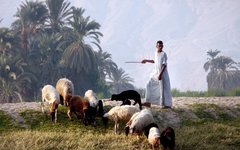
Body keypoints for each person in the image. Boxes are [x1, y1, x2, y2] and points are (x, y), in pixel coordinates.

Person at [141, 40, 172, 108]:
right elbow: (154, 61)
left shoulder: (164, 54)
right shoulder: (155, 53)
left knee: (163, 88)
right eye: (159, 46)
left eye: (161, 46)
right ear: (156, 46)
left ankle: (167, 105)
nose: (160, 47)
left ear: (162, 46)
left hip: (162, 74)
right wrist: (146, 60)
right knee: (148, 85)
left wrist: (160, 74)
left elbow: (164, 65)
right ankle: (148, 102)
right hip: (155, 73)